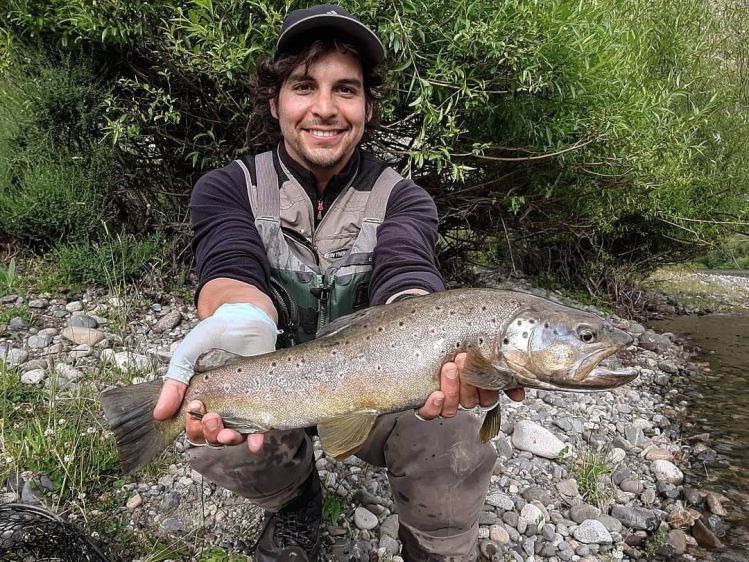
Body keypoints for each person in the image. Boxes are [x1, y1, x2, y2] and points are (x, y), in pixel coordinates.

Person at [151, 5, 524, 561]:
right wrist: (239, 316)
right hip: (275, 392)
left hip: (378, 389)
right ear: (275, 100)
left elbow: (407, 269)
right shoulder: (227, 187)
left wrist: (427, 329)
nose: (324, 108)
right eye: (304, 86)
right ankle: (295, 499)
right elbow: (229, 265)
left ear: (368, 109)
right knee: (210, 430)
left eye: (345, 90)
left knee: (455, 429)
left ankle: (434, 543)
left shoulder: (403, 198)